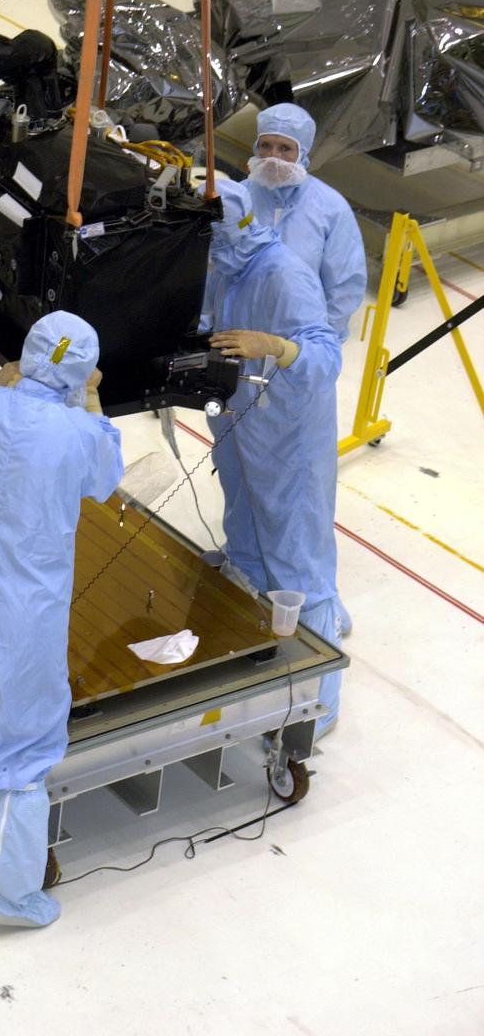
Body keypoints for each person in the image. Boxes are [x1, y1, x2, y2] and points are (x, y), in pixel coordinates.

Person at [0, 311, 124, 928]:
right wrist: (92, 399)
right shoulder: (78, 433)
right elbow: (105, 477)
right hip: (26, 612)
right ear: (82, 370)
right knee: (26, 743)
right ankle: (10, 894)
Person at [204, 180, 348, 737]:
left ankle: (317, 705)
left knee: (299, 561)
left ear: (237, 227)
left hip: (288, 433)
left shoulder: (284, 273)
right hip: (242, 419)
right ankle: (258, 649)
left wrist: (277, 347)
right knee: (245, 530)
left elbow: (325, 355)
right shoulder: (230, 263)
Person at [243, 103, 366, 342]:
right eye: (265, 145)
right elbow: (215, 269)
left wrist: (322, 341)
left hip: (301, 337)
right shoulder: (239, 199)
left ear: (302, 153)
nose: (272, 157)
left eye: (285, 148)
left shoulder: (330, 207)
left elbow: (344, 281)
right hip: (240, 331)